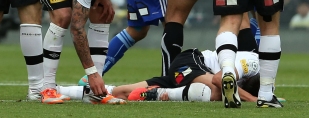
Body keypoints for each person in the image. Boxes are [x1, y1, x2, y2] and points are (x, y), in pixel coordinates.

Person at [56, 48, 260, 103]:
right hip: (190, 62)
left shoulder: (259, 75)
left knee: (122, 93)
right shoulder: (252, 61)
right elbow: (219, 79)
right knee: (218, 91)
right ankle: (159, 95)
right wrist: (252, 99)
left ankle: (61, 91)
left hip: (188, 80)